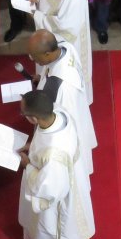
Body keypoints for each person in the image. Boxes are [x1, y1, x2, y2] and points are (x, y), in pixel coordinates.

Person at [17, 90, 95, 239]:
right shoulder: (60, 113)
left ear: (33, 119)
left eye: (23, 113)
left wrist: (27, 166)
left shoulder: (54, 154)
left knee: (58, 226)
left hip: (60, 190)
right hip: (71, 174)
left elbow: (49, 190)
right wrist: (32, 145)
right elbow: (44, 139)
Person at [29, 0, 93, 102]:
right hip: (49, 33)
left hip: (65, 43)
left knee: (61, 80)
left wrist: (36, 15)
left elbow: (66, 26)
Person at [27, 29, 97, 174]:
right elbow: (52, 69)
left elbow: (62, 123)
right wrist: (43, 79)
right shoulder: (65, 48)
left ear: (47, 54)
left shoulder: (64, 89)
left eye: (34, 57)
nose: (33, 61)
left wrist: (37, 117)